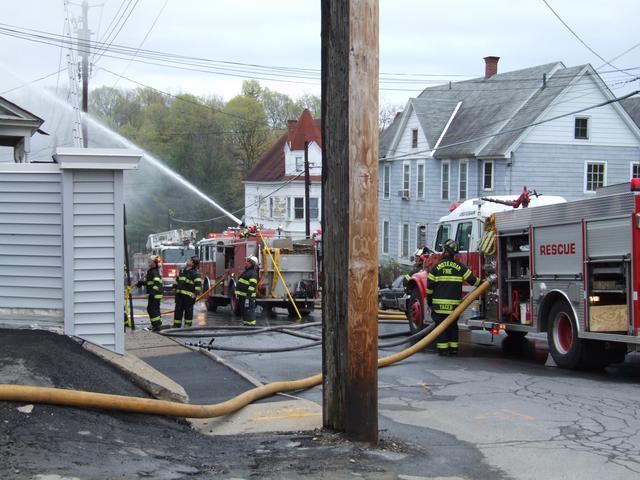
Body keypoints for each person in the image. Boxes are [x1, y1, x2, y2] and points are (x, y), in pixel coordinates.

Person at [426, 239, 480, 356]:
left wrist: (430, 303)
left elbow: (429, 288)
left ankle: (443, 350)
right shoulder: (460, 267)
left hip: (439, 307)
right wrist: (485, 283)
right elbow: (473, 281)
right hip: (454, 308)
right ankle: (454, 349)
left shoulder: (435, 268)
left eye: (444, 250)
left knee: (441, 328)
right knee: (453, 326)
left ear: (446, 251)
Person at [173, 256, 202, 328]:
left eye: (189, 260)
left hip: (189, 296)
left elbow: (198, 285)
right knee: (178, 310)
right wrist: (174, 286)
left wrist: (195, 294)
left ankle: (187, 325)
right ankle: (176, 325)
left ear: (193, 263)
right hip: (179, 295)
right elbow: (177, 280)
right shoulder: (182, 271)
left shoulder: (195, 273)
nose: (188, 260)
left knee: (188, 311)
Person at [136, 255, 163, 331]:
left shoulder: (154, 271)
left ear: (154, 262)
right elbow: (150, 282)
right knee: (152, 309)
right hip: (153, 294)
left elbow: (157, 283)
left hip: (155, 294)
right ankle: (155, 324)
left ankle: (157, 325)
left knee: (152, 309)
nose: (148, 262)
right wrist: (142, 283)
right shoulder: (151, 271)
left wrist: (152, 292)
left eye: (150, 261)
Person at [236, 255, 258, 326]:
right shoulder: (247, 271)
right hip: (243, 296)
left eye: (248, 261)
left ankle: (251, 325)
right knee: (244, 311)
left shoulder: (252, 273)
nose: (246, 262)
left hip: (248, 297)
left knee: (249, 310)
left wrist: (248, 296)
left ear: (252, 264)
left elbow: (252, 286)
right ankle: (246, 324)